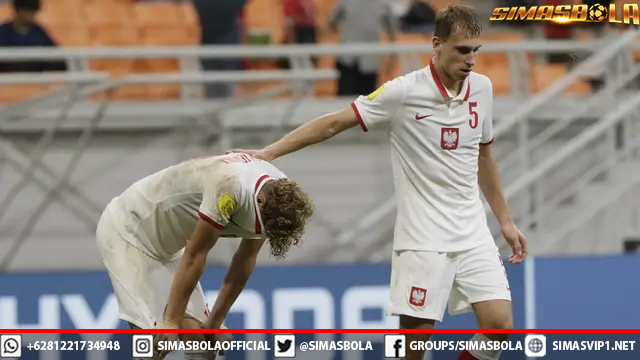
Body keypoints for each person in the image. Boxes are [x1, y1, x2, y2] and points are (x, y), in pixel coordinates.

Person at [229, 5, 527, 360]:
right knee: (413, 346)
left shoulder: (482, 89)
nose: (471, 60)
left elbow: (484, 156)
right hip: (423, 239)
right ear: (437, 44)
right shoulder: (402, 92)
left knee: (499, 325)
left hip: (473, 231)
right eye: (463, 50)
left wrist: (505, 221)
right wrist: (269, 153)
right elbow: (334, 122)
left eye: (476, 50)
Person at [95, 152, 314, 360]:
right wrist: (170, 322)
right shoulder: (230, 188)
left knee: (202, 343)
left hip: (169, 245)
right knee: (154, 342)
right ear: (261, 202)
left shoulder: (280, 196)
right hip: (128, 228)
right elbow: (196, 254)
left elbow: (245, 260)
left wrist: (215, 322)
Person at [0, 0, 66, 73]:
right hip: (9, 76)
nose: (32, 15)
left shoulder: (38, 31)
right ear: (20, 11)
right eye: (29, 12)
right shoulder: (4, 30)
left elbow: (55, 51)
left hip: (34, 75)